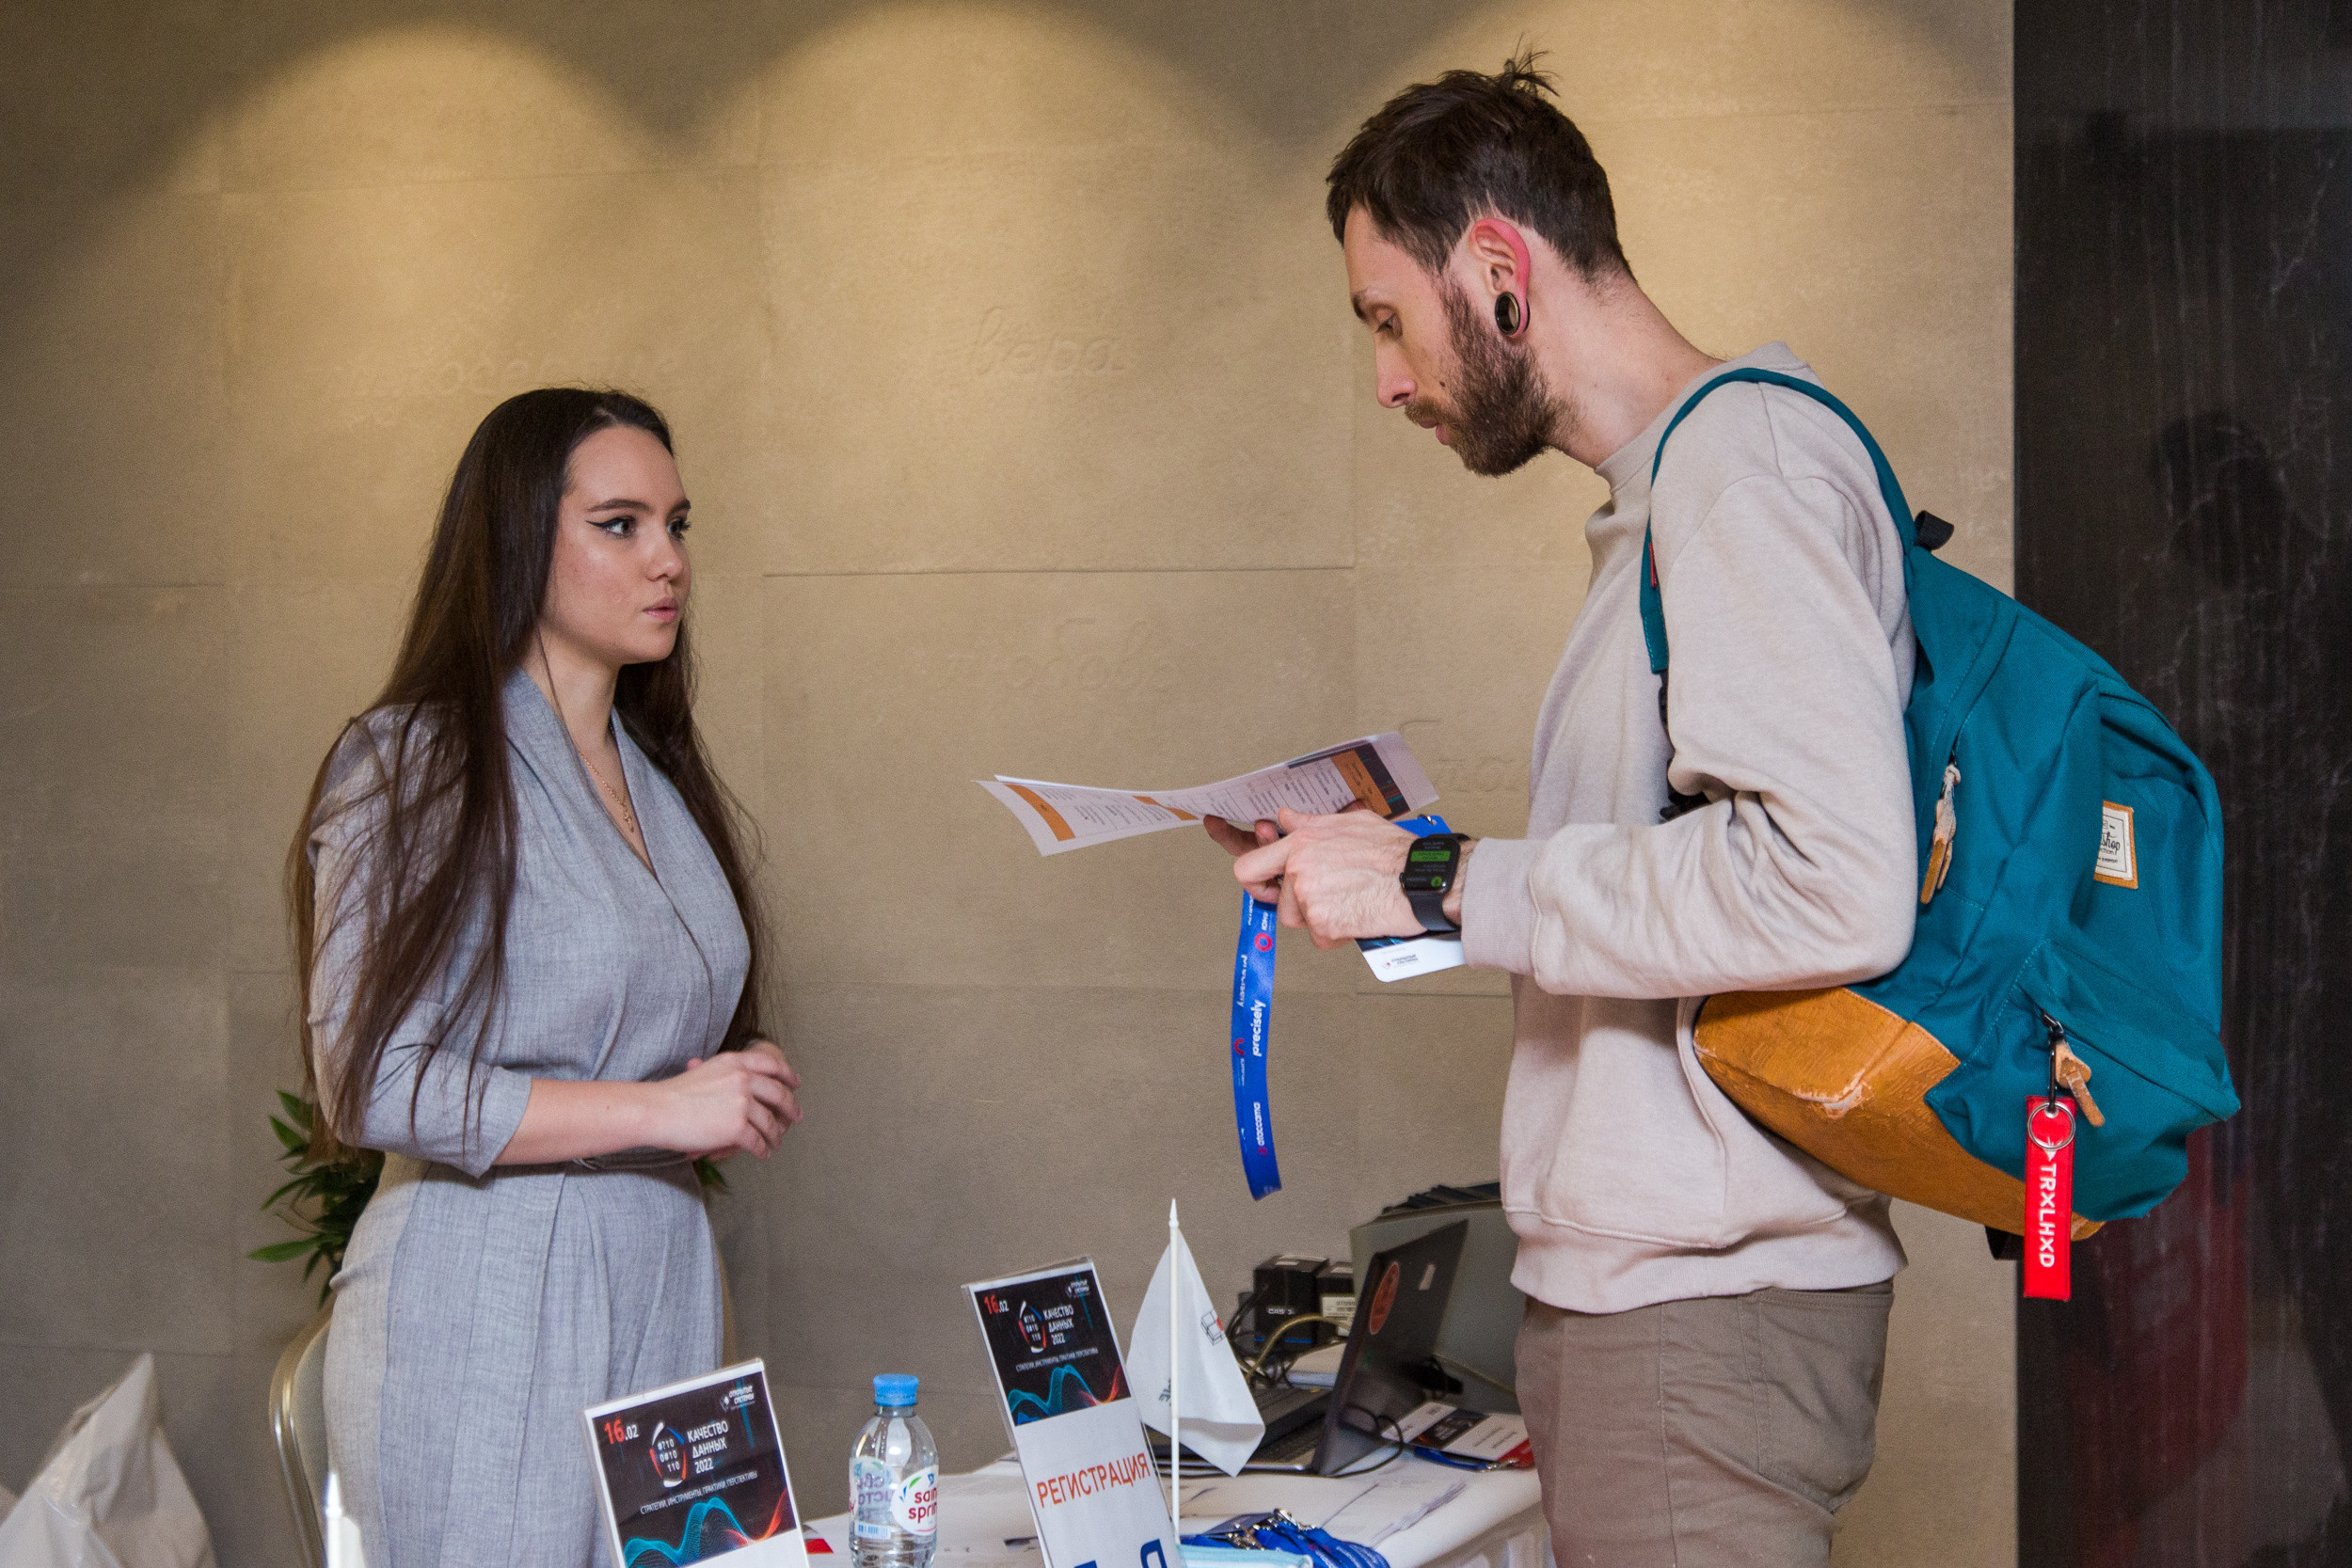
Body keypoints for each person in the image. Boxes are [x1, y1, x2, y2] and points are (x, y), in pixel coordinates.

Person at [1206, 57, 1916, 1566]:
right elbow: (1673, 871)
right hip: (1668, 1316)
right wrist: (1395, 871)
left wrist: (1450, 877)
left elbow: (1833, 883)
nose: (1390, 380)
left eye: (1389, 320)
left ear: (1499, 270)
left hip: (1698, 1323)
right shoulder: (1672, 495)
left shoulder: (1742, 467)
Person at [290, 388, 803, 1568]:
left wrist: (725, 1076)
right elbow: (370, 1080)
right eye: (620, 525)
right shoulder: (408, 762)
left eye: (677, 524)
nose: (667, 559)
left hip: (664, 1290)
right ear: (521, 537)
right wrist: (664, 1108)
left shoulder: (659, 777)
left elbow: (625, 1021)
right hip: (483, 1306)